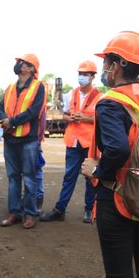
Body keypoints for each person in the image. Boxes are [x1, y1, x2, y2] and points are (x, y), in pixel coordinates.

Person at [79, 31, 139, 277]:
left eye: (106, 62)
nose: (103, 67)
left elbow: (118, 149)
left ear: (116, 66)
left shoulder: (111, 101)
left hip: (119, 197)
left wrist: (98, 171)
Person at [41, 60, 100, 224]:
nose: (82, 77)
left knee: (90, 177)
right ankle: (60, 209)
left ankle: (89, 210)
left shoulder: (99, 97)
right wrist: (70, 118)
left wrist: (85, 118)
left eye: (86, 74)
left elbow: (99, 118)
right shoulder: (70, 94)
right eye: (80, 74)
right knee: (69, 176)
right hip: (73, 141)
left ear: (92, 77)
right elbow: (64, 115)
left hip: (89, 143)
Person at [0, 53, 46, 229]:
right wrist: (4, 120)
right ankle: (14, 213)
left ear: (31, 68)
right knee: (13, 178)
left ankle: (30, 214)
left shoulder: (38, 87)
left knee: (29, 178)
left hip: (28, 140)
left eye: (22, 63)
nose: (18, 65)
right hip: (10, 139)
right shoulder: (10, 88)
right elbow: (1, 107)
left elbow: (34, 112)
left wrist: (12, 121)